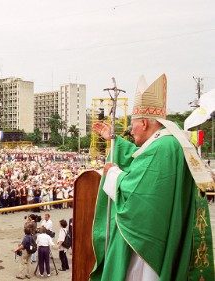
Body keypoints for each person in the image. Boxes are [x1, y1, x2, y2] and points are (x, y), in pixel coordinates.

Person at [91, 74, 214, 280]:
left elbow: (139, 191)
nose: (131, 130)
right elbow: (141, 161)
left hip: (149, 239)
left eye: (133, 124)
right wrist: (114, 139)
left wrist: (113, 173)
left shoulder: (161, 147)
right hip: (167, 228)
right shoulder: (169, 142)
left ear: (145, 123)